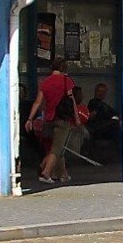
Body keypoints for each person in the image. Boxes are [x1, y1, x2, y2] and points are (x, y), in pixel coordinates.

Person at [27, 56, 80, 184]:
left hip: (48, 119)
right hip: (63, 118)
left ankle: (63, 174)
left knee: (56, 147)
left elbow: (38, 102)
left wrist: (30, 119)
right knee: (56, 149)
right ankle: (45, 172)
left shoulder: (45, 82)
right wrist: (76, 116)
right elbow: (71, 99)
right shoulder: (66, 81)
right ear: (64, 68)